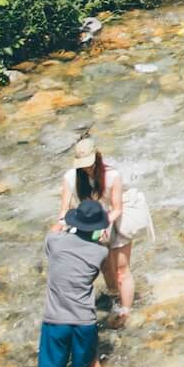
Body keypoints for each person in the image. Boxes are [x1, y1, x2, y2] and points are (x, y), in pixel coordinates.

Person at [40, 198, 110, 367]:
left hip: (55, 320)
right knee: (91, 361)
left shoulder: (55, 243)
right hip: (84, 320)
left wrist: (62, 219)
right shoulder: (101, 252)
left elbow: (55, 229)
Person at [59, 138, 138, 327]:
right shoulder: (71, 177)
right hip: (92, 221)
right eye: (83, 166)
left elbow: (117, 208)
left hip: (115, 219)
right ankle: (114, 297)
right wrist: (63, 228)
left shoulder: (112, 175)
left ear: (97, 157)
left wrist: (104, 225)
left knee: (121, 268)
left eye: (90, 165)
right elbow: (63, 209)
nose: (87, 169)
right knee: (104, 266)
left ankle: (125, 311)